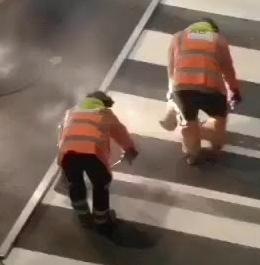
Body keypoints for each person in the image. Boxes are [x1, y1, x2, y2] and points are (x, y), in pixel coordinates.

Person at [158, 18, 242, 165]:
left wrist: (172, 94)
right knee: (218, 120)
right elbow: (228, 69)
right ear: (214, 30)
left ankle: (192, 153)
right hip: (212, 88)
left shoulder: (178, 37)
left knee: (189, 123)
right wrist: (234, 90)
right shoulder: (218, 40)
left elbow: (171, 70)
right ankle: (215, 146)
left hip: (183, 89)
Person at [57, 90, 138, 228]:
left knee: (75, 183)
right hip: (92, 153)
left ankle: (83, 216)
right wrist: (130, 149)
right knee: (101, 184)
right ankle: (101, 219)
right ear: (104, 103)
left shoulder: (71, 112)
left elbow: (61, 136)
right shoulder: (104, 113)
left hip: (68, 153)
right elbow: (120, 132)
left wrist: (61, 162)